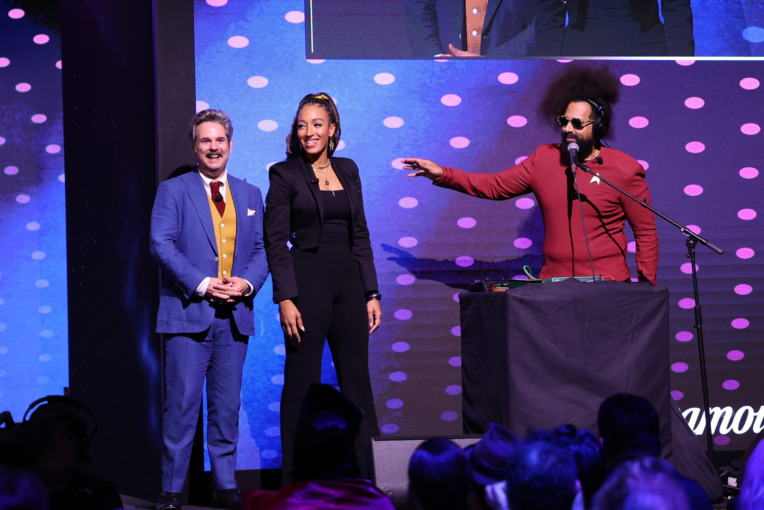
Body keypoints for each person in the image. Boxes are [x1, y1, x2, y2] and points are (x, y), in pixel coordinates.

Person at [404, 64, 659, 285]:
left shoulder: (624, 169)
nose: (568, 128)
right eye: (564, 120)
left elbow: (645, 233)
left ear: (598, 126)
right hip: (554, 285)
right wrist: (443, 173)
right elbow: (495, 186)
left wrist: (647, 288)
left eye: (578, 123)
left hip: (609, 286)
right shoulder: (544, 158)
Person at [150, 109, 269, 510]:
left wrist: (247, 283)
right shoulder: (174, 190)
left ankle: (225, 487)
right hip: (187, 317)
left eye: (220, 140)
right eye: (205, 140)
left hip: (234, 318)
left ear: (231, 146)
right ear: (194, 147)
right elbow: (160, 243)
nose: (213, 147)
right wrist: (202, 285)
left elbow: (262, 249)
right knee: (181, 407)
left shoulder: (250, 194)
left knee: (226, 408)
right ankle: (171, 491)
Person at [263, 93, 382, 483]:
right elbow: (275, 240)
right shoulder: (285, 174)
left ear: (332, 129)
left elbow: (359, 233)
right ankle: (295, 481)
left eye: (316, 124)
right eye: (301, 125)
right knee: (301, 382)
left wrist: (371, 292)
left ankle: (369, 477)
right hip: (307, 282)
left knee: (356, 381)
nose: (308, 132)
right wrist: (285, 296)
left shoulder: (348, 169)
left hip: (349, 283)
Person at [534, 0, 694, 57]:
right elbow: (549, 8)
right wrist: (547, 60)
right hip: (580, 50)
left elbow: (677, 7)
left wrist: (681, 59)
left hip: (646, 48)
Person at [404, 0, 537, 58]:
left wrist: (495, 60)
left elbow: (546, 21)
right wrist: (436, 58)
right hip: (447, 76)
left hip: (516, 75)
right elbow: (419, 8)